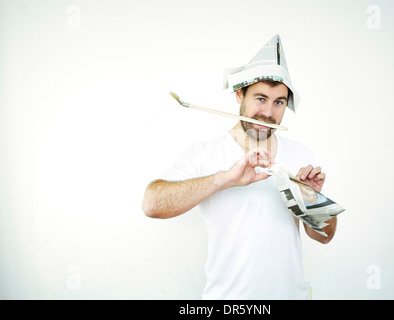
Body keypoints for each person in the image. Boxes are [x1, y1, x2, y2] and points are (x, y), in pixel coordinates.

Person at [142, 35, 337, 299]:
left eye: (279, 101)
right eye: (260, 98)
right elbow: (152, 204)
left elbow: (325, 236)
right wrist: (226, 179)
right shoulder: (206, 153)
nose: (268, 112)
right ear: (239, 94)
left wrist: (313, 200)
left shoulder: (300, 154)